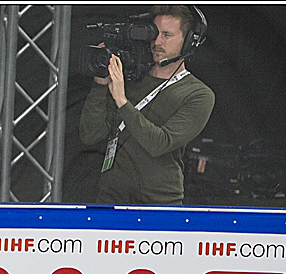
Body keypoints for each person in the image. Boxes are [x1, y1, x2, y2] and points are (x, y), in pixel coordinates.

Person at [79, 5, 215, 205]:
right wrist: (100, 85)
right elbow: (91, 135)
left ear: (188, 43)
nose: (157, 42)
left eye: (167, 35)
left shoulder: (199, 94)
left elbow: (160, 143)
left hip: (159, 203)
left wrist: (122, 100)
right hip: (110, 199)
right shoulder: (131, 78)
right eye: (154, 33)